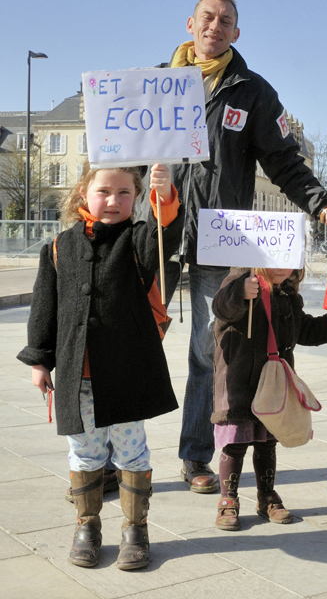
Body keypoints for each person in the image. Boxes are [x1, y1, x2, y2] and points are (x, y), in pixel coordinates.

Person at [164, 0, 327, 494]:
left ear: (236, 33)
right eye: (207, 17)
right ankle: (110, 459)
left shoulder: (252, 91)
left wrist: (322, 204)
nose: (215, 26)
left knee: (209, 349)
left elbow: (284, 160)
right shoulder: (156, 84)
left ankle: (197, 456)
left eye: (226, 21)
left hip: (216, 238)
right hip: (152, 231)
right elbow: (123, 156)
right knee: (124, 342)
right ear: (190, 23)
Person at [17, 162, 184, 570]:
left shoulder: (139, 239)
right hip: (80, 377)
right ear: (83, 194)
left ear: (137, 198)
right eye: (104, 191)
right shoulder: (58, 247)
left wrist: (165, 200)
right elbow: (45, 309)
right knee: (85, 453)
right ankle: (87, 526)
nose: (114, 201)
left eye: (125, 193)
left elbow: (165, 240)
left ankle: (135, 529)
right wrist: (39, 359)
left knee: (131, 452)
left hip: (127, 372)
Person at [211, 266, 327, 530]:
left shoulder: (288, 294)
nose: (283, 270)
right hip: (239, 380)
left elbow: (303, 330)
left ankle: (267, 496)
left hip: (274, 385)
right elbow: (222, 309)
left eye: (289, 263)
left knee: (267, 441)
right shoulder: (241, 278)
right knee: (236, 442)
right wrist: (239, 293)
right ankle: (228, 499)